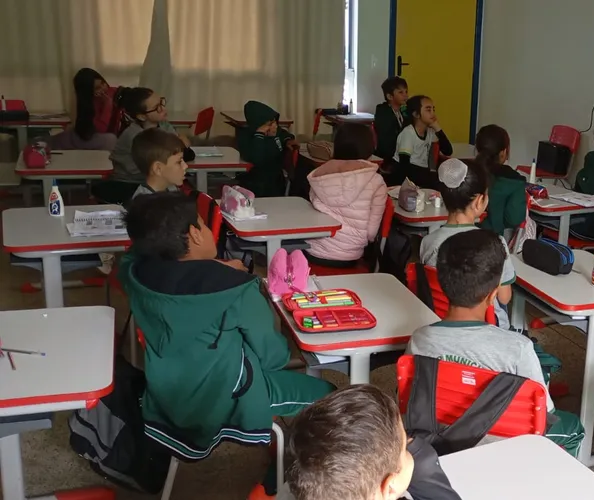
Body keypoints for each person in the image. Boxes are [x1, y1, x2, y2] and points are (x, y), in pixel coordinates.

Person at [119, 192, 332, 497]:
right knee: (331, 399)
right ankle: (288, 478)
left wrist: (216, 269)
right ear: (193, 233)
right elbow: (273, 358)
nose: (207, 231)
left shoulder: (133, 273)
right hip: (227, 401)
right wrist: (228, 278)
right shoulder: (237, 291)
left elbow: (177, 276)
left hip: (164, 395)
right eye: (204, 226)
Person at [407, 229, 585, 456]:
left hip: (438, 439)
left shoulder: (419, 340)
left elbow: (410, 398)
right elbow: (545, 413)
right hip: (504, 445)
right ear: (492, 295)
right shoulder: (518, 349)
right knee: (573, 428)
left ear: (441, 284)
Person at [282, 384, 460, 500]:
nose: (411, 446)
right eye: (405, 446)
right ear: (390, 487)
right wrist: (422, 456)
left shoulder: (300, 485)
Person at [419, 159, 515, 330]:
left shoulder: (427, 242)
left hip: (441, 322)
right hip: (487, 329)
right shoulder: (496, 243)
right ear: (479, 201)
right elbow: (504, 298)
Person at [305, 122, 388, 268]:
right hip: (349, 256)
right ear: (369, 146)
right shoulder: (376, 182)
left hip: (312, 250)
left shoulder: (321, 174)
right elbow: (371, 233)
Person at [98, 87, 191, 203]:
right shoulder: (135, 136)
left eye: (161, 102)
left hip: (150, 180)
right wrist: (181, 144)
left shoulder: (163, 125)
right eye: (156, 108)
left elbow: (184, 153)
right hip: (129, 184)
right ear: (141, 116)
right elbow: (176, 154)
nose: (163, 109)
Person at [237, 100, 298, 197]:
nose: (275, 126)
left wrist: (287, 140)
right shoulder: (247, 138)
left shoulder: (277, 132)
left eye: (274, 122)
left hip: (276, 181)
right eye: (269, 124)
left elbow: (285, 134)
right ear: (258, 126)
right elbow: (257, 159)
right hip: (256, 182)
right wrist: (259, 134)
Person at [391, 95, 453, 188]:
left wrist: (437, 127)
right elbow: (404, 165)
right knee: (438, 181)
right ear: (416, 114)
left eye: (433, 109)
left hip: (420, 173)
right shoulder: (408, 133)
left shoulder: (430, 131)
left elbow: (448, 151)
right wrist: (428, 175)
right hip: (404, 175)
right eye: (428, 110)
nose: (433, 113)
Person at [476, 124, 527, 234]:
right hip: (490, 242)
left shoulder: (465, 172)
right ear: (503, 152)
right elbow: (514, 220)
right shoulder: (514, 181)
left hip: (457, 237)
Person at [50, 68, 117, 150]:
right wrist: (107, 105)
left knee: (111, 139)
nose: (104, 88)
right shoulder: (90, 103)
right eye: (97, 88)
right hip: (88, 139)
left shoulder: (114, 92)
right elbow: (99, 130)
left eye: (103, 83)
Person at [130, 128, 188, 200]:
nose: (185, 166)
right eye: (179, 162)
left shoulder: (171, 189)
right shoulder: (145, 206)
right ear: (158, 168)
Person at [374, 76, 408, 162]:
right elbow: (386, 140)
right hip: (388, 156)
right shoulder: (383, 113)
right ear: (389, 96)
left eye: (406, 91)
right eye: (401, 92)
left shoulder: (403, 112)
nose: (405, 95)